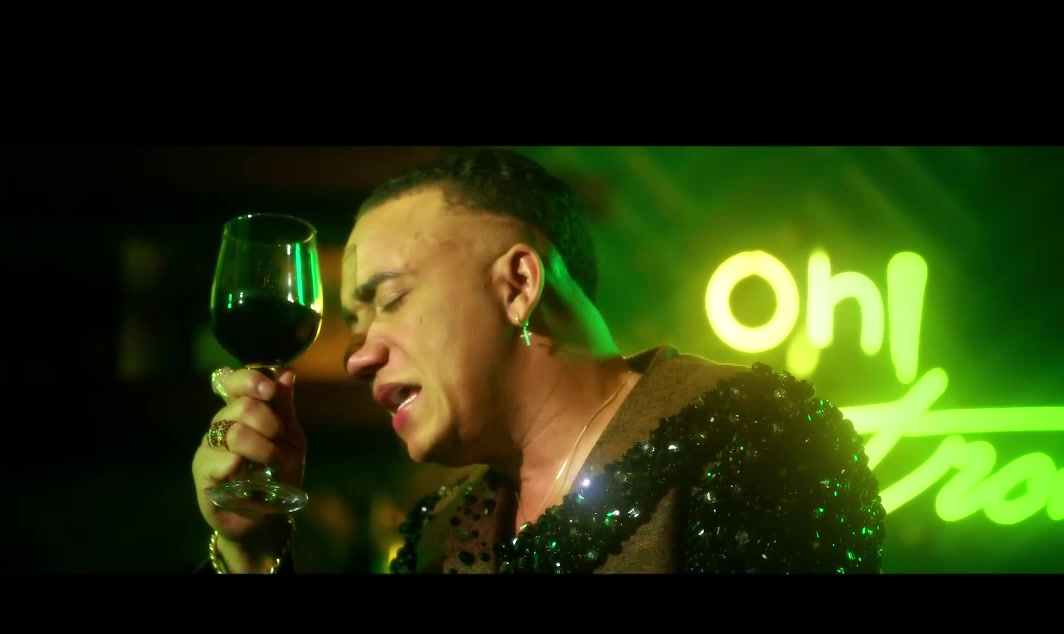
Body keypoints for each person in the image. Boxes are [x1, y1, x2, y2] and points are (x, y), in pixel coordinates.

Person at [191, 147, 886, 574]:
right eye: (355, 323)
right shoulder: (444, 532)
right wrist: (251, 554)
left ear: (519, 284)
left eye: (391, 299)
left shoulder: (753, 438)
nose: (358, 357)